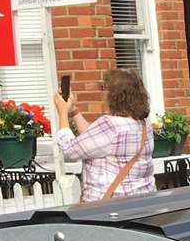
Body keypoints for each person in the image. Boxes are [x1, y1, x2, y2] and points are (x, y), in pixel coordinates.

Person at [53, 70, 156, 202]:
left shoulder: (110, 125)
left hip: (107, 208)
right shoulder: (143, 123)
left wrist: (62, 113)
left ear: (114, 95)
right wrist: (74, 112)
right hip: (140, 203)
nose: (103, 93)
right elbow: (94, 141)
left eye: (104, 88)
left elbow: (69, 150)